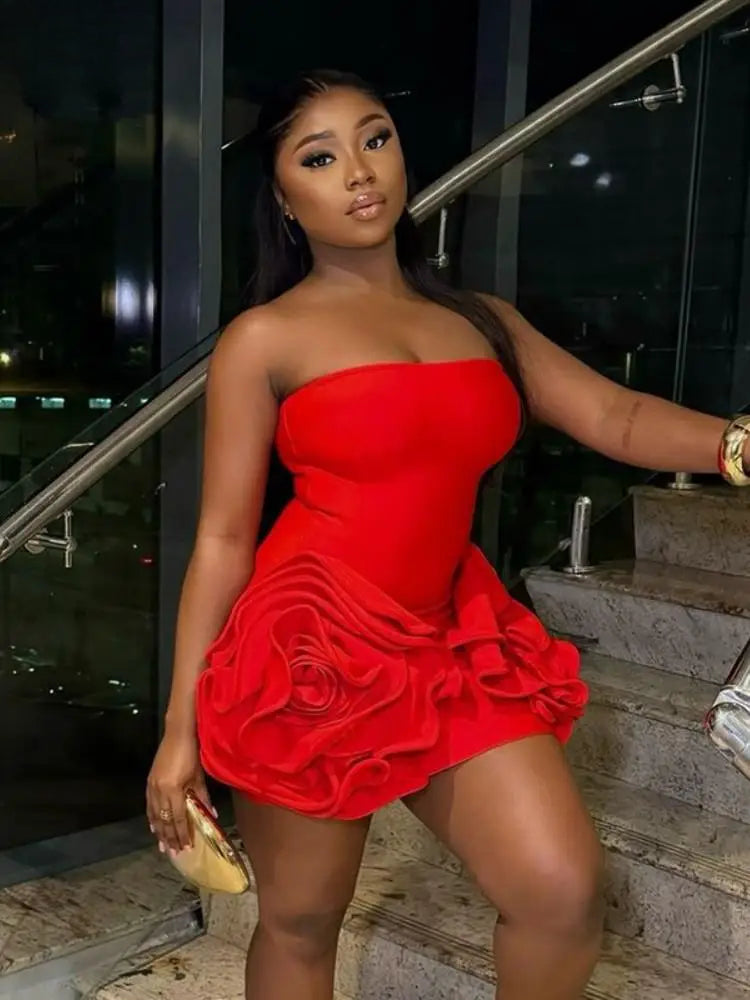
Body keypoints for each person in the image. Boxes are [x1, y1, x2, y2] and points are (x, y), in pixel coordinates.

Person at [146, 70, 750, 1000]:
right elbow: (224, 540)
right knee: (302, 923)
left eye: (375, 138)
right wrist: (179, 729)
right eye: (319, 157)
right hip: (310, 648)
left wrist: (736, 444)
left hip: (451, 639)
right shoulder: (264, 339)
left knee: (559, 892)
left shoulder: (480, 321)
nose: (359, 171)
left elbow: (616, 417)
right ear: (285, 201)